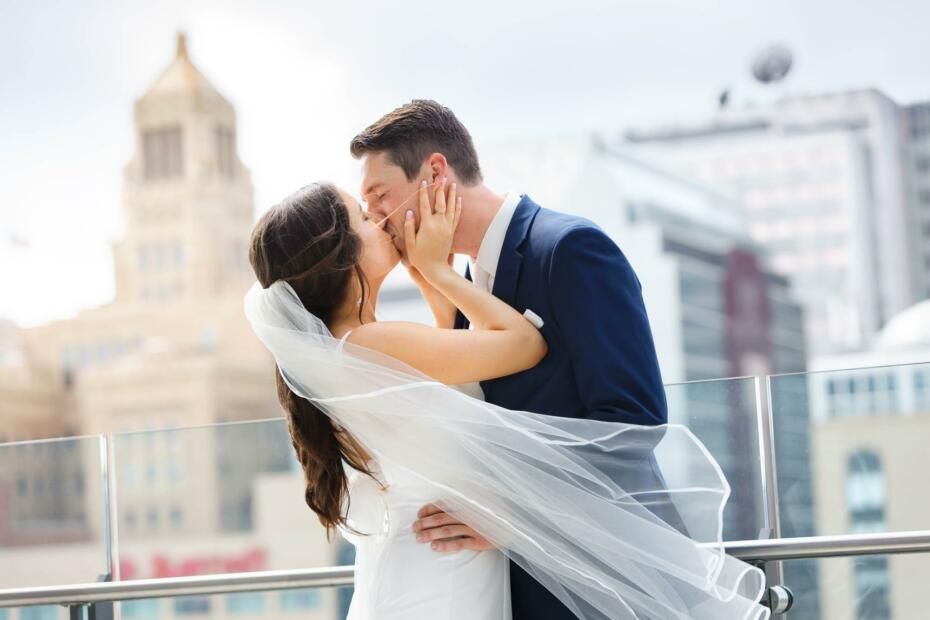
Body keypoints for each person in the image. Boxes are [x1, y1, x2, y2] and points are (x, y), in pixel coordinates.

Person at [245, 173, 769, 617]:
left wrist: (434, 287)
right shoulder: (371, 343)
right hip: (438, 574)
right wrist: (438, 270)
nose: (380, 220)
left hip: (433, 562)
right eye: (362, 216)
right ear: (341, 255)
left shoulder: (356, 350)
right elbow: (524, 343)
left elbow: (452, 373)